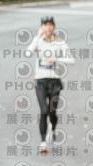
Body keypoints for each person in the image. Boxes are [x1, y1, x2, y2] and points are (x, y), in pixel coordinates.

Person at [25, 16, 75, 153]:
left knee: (52, 111)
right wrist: (37, 37)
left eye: (50, 25)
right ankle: (43, 142)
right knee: (44, 111)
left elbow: (72, 60)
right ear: (41, 27)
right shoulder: (38, 41)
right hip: (40, 80)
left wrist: (56, 59)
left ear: (54, 26)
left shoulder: (59, 42)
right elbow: (28, 53)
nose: (48, 27)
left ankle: (52, 130)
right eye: (45, 25)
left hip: (54, 81)